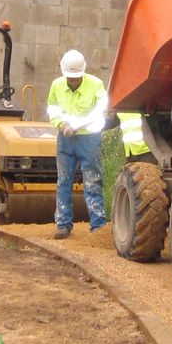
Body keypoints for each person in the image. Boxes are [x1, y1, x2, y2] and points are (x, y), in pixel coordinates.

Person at [47, 49, 108, 239]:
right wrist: (62, 124)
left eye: (76, 77)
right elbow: (53, 110)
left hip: (89, 139)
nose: (73, 80)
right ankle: (63, 224)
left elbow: (99, 111)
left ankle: (98, 226)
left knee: (92, 182)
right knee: (63, 181)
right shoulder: (56, 86)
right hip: (66, 141)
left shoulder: (96, 85)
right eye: (70, 77)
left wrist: (76, 125)